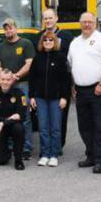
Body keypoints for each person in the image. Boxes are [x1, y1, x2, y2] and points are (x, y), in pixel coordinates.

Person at [67, 12, 101, 174]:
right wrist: (74, 85)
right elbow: (72, 65)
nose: (86, 25)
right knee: (85, 126)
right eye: (83, 22)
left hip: (99, 88)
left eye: (90, 22)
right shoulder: (75, 42)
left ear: (95, 23)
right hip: (81, 90)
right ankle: (91, 155)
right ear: (80, 24)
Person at [0, 18, 35, 159]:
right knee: (8, 115)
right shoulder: (0, 47)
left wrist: (15, 76)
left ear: (16, 28)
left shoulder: (26, 44)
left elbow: (29, 64)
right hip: (6, 85)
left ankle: (26, 147)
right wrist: (4, 76)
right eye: (6, 29)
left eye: (11, 28)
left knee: (24, 117)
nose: (8, 31)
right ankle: (11, 146)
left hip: (21, 84)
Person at [29, 31, 69, 167]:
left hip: (56, 98)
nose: (48, 42)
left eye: (50, 40)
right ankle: (45, 154)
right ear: (42, 42)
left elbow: (66, 80)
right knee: (43, 127)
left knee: (56, 127)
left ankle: (54, 154)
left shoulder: (61, 58)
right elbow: (32, 79)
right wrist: (32, 96)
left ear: (55, 42)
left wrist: (64, 97)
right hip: (40, 98)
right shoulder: (37, 58)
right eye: (45, 40)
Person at [36, 8, 74, 152]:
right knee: (45, 119)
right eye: (45, 18)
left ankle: (58, 145)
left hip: (62, 82)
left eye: (50, 18)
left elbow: (72, 59)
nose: (48, 21)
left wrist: (72, 84)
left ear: (56, 18)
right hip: (44, 84)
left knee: (60, 116)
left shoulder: (66, 36)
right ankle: (46, 146)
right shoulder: (39, 36)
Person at [0, 70, 27, 171]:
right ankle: (7, 152)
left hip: (12, 126)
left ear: (12, 80)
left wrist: (2, 123)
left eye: (8, 80)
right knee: (0, 160)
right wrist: (3, 122)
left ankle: (18, 160)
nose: (5, 82)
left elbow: (20, 115)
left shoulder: (19, 94)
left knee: (19, 128)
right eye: (3, 79)